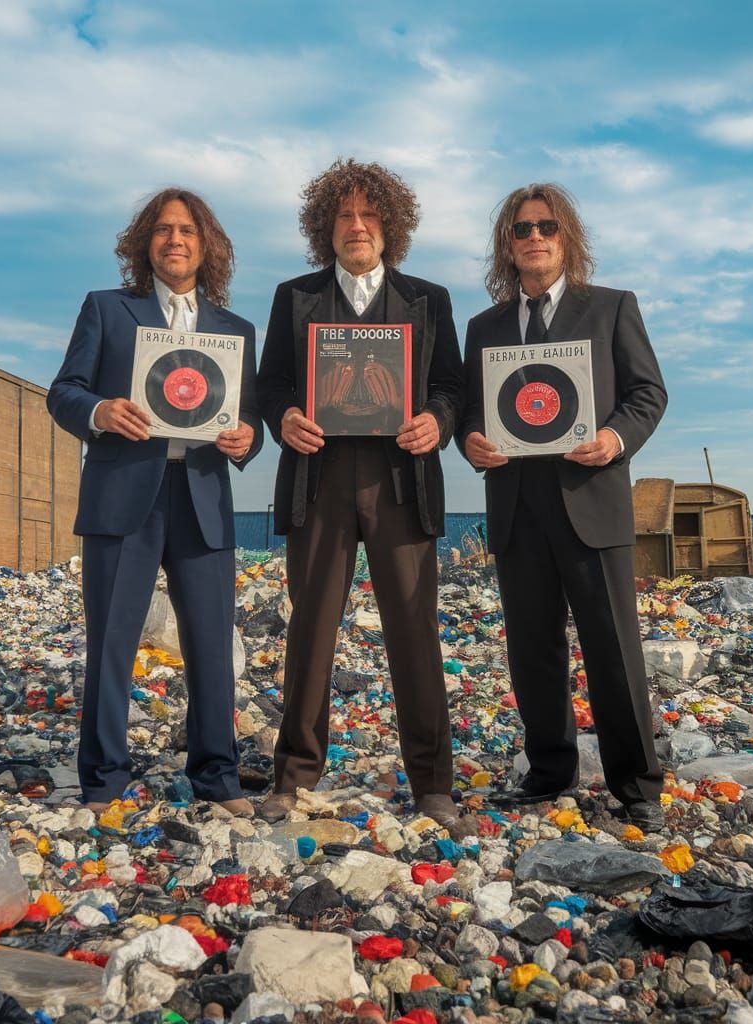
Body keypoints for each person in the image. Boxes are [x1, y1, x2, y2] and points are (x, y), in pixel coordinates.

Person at [256, 158, 468, 831]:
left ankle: (433, 780)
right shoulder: (294, 297)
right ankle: (293, 773)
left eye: (369, 214)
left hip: (400, 481)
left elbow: (452, 386)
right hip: (319, 479)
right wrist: (285, 416)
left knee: (413, 631)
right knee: (311, 629)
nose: (356, 225)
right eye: (343, 215)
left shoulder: (427, 299)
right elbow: (270, 383)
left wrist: (438, 420)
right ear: (326, 227)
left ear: (390, 225)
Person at [458, 182, 668, 830]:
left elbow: (648, 393)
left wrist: (613, 438)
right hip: (517, 509)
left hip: (593, 505)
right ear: (508, 244)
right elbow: (471, 411)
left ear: (566, 237)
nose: (534, 237)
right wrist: (470, 441)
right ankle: (550, 770)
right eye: (521, 228)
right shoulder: (484, 327)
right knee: (532, 650)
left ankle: (636, 785)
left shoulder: (610, 309)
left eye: (546, 226)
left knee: (613, 648)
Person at [47, 187, 261, 816]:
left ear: (206, 245)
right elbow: (64, 391)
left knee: (212, 645)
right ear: (146, 242)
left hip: (201, 497)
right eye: (163, 229)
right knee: (112, 643)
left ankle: (217, 777)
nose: (175, 240)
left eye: (187, 230)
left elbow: (247, 417)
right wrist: (99, 411)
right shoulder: (109, 311)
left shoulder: (235, 329)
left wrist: (248, 437)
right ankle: (105, 779)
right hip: (123, 495)